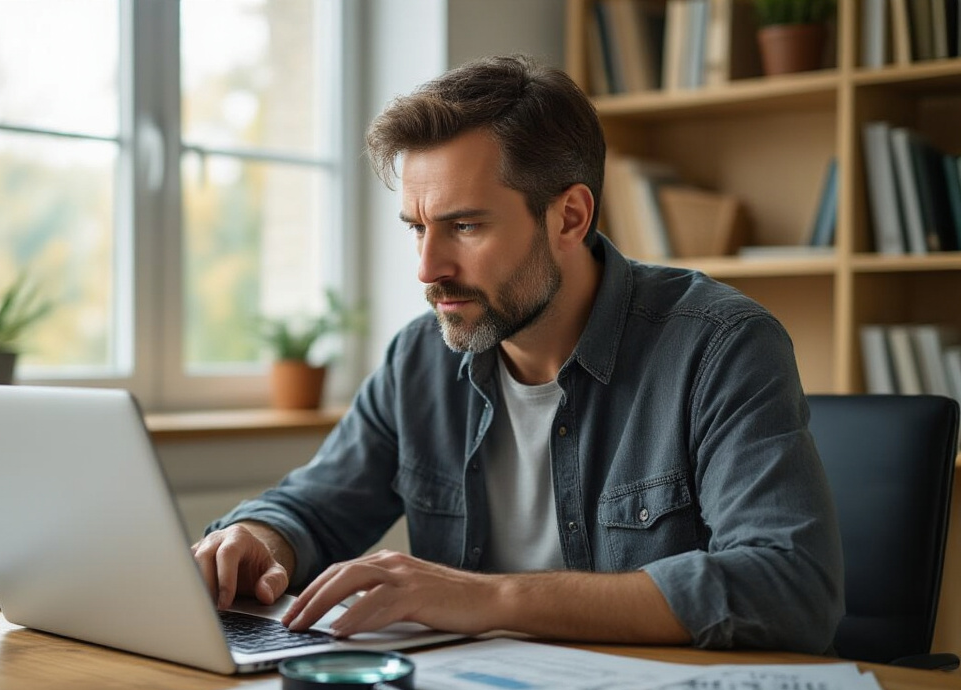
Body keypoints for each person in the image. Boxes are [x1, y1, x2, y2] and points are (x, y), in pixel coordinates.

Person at [192, 55, 843, 654]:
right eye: (418, 228)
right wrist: (257, 538)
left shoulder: (719, 346)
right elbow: (314, 505)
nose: (427, 269)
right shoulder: (420, 358)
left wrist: (488, 598)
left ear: (570, 217)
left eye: (464, 226)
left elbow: (788, 587)